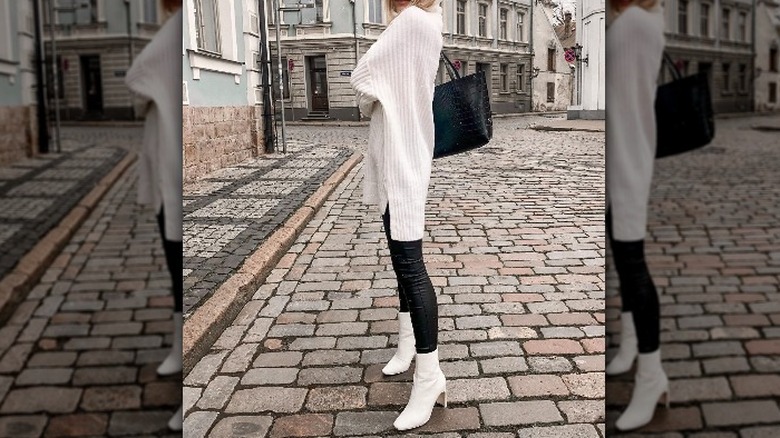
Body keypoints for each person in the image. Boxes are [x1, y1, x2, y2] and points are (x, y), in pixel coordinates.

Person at [349, 0, 444, 431]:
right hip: (403, 156)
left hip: (403, 158)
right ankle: (408, 346)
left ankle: (430, 377)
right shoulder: (429, 22)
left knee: (410, 264)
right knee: (402, 263)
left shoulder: (410, 21)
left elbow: (362, 77)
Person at [605, 0, 668, 432]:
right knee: (627, 262)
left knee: (633, 264)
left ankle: (652, 375)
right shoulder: (644, 19)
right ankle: (631, 346)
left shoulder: (631, 25)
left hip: (624, 162)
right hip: (625, 159)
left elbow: (620, 105)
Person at [124, 0, 183, 431]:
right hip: (170, 169)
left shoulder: (176, 28)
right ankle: (180, 347)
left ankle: (188, 393)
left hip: (175, 170)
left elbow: (136, 76)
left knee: (180, 266)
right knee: (174, 265)